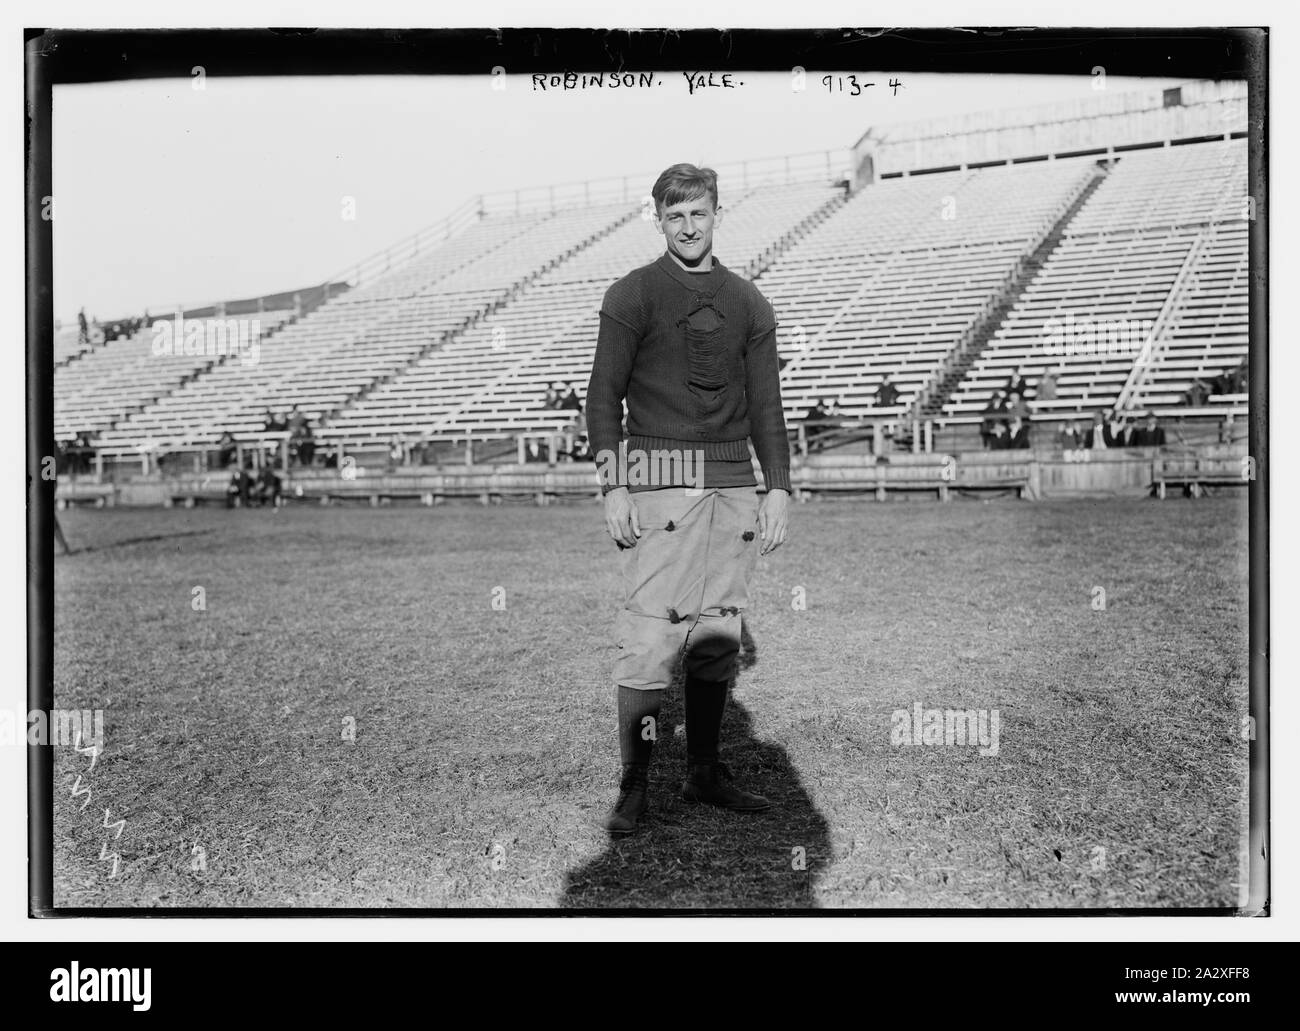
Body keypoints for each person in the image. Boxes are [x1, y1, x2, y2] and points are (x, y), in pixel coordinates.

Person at [585, 162, 791, 837]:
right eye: (675, 215)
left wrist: (779, 485)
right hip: (660, 479)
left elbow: (767, 405)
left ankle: (704, 770)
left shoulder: (749, 302)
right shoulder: (634, 294)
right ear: (659, 219)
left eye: (698, 212)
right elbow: (602, 397)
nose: (688, 226)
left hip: (733, 484)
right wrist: (614, 481)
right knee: (651, 636)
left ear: (717, 213)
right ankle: (635, 784)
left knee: (717, 632)